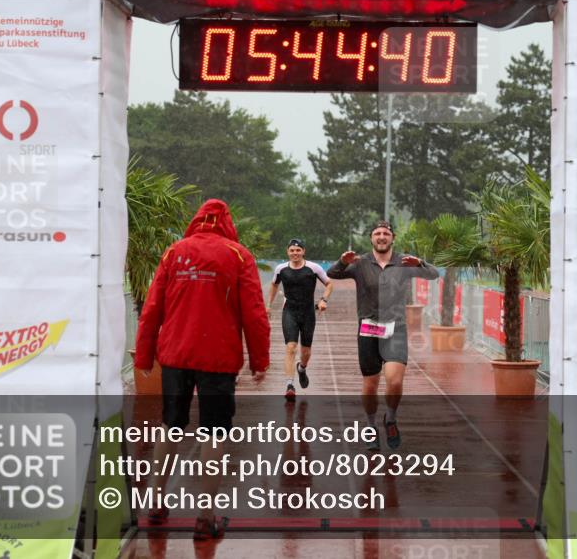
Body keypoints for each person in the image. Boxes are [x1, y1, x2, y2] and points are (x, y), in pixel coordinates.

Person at [134, 199, 270, 540]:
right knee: (215, 431)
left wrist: (143, 356)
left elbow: (152, 309)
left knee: (170, 425)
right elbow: (254, 312)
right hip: (218, 358)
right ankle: (206, 515)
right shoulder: (238, 255)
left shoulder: (173, 253)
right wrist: (259, 360)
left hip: (175, 355)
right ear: (226, 222)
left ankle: (155, 501)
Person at [327, 220, 439, 450]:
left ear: (393, 238)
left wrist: (421, 263)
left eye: (386, 233)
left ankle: (390, 418)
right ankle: (370, 426)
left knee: (395, 380)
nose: (381, 237)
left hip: (395, 327)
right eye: (377, 233)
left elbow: (433, 274)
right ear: (371, 238)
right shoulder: (360, 263)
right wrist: (342, 261)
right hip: (368, 327)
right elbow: (332, 273)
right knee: (370, 385)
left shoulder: (404, 262)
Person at [267, 238, 333, 401]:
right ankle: (290, 385)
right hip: (289, 311)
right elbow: (274, 285)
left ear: (303, 251)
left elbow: (329, 284)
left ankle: (302, 368)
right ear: (287, 252)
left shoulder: (313, 268)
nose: (295, 253)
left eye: (298, 250)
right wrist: (268, 305)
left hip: (308, 312)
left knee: (306, 351)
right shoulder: (281, 269)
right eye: (292, 251)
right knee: (290, 347)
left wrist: (324, 300)